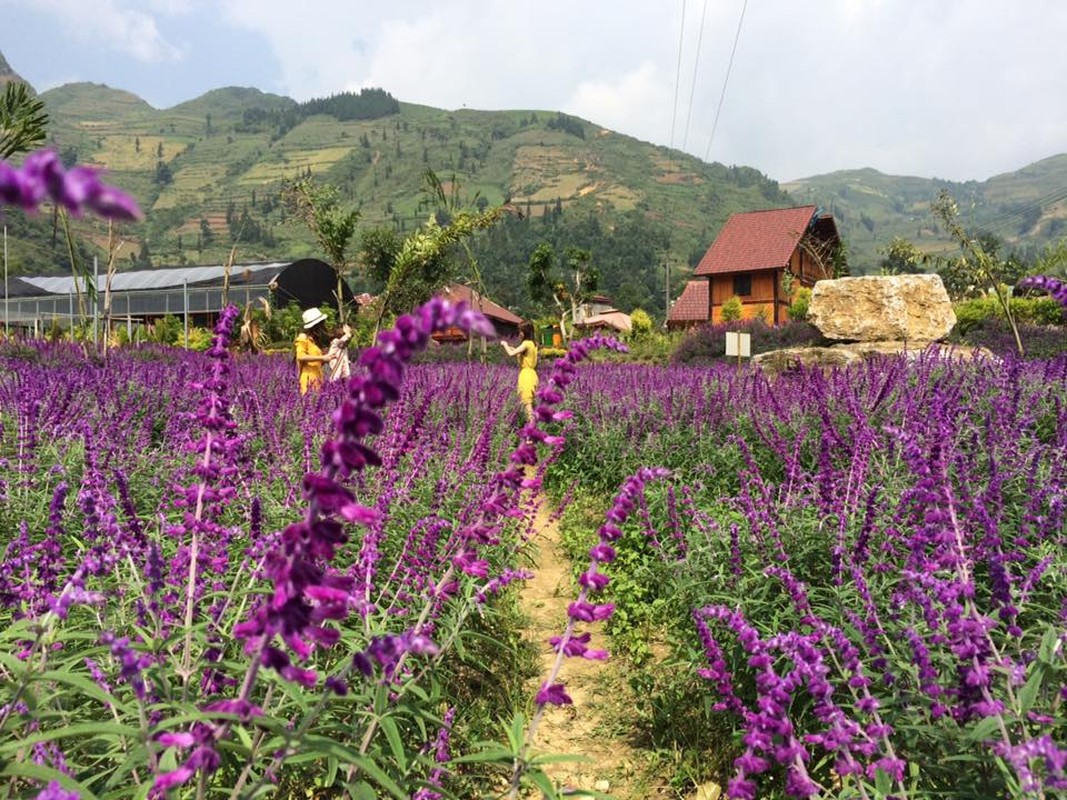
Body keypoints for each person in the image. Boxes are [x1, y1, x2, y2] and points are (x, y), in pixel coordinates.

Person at [500, 321, 538, 423]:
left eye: (520, 331)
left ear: (524, 332)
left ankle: (531, 434)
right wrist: (512, 348)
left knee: (528, 405)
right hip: (533, 375)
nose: (519, 333)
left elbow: (511, 353)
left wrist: (505, 344)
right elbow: (519, 352)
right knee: (530, 404)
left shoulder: (525, 344)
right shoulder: (533, 344)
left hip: (526, 376)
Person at [295, 307, 332, 394]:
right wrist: (322, 358)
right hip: (308, 379)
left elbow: (316, 362)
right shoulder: (303, 337)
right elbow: (300, 356)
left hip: (317, 377)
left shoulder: (313, 340)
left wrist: (324, 357)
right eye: (322, 324)